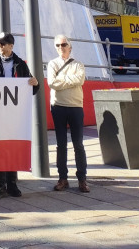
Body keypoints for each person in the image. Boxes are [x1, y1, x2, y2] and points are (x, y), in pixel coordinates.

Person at [0, 32, 39, 199]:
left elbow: (30, 88)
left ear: (11, 46)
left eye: (3, 44)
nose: (0, 47)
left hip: (14, 115)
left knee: (12, 147)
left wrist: (34, 83)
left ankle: (12, 183)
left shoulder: (20, 64)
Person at [47, 34, 89, 193]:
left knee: (78, 144)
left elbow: (80, 80)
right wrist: (69, 80)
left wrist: (62, 80)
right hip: (58, 107)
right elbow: (52, 83)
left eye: (63, 45)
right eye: (57, 45)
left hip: (76, 106)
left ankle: (82, 179)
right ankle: (62, 178)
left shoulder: (78, 64)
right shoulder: (52, 64)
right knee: (61, 144)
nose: (60, 48)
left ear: (70, 47)